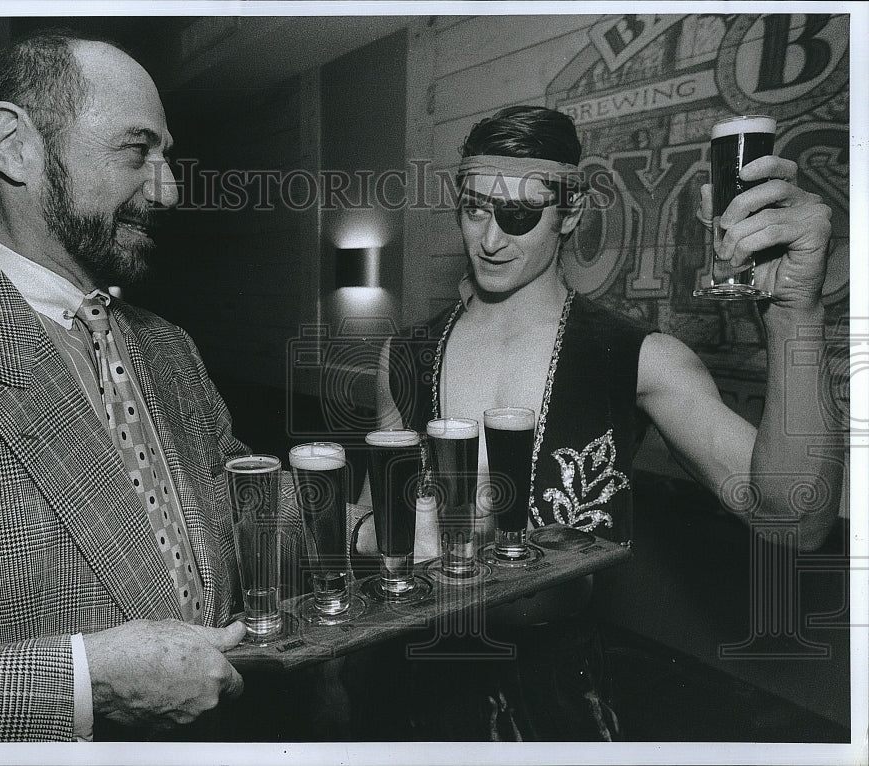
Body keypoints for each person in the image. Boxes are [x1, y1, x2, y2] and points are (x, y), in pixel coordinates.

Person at [350, 105, 843, 740]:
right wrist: (377, 532)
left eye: (519, 215)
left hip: (555, 697)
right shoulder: (406, 355)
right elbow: (363, 517)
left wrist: (795, 314)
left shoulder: (640, 358)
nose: (490, 239)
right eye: (474, 208)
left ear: (571, 214)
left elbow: (795, 522)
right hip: (413, 686)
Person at [0, 30, 252, 742]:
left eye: (166, 156)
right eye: (136, 150)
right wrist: (86, 681)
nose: (168, 190)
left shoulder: (169, 348)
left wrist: (384, 499)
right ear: (14, 144)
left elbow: (240, 504)